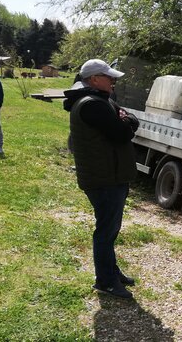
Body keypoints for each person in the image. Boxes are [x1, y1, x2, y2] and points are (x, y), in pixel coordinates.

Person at [63, 59, 139, 299]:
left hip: (109, 175)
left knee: (110, 229)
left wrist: (126, 119)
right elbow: (123, 132)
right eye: (109, 77)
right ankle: (105, 281)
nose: (113, 81)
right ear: (94, 79)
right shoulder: (92, 105)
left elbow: (127, 121)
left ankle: (111, 272)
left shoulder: (99, 101)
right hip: (104, 179)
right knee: (106, 231)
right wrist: (126, 120)